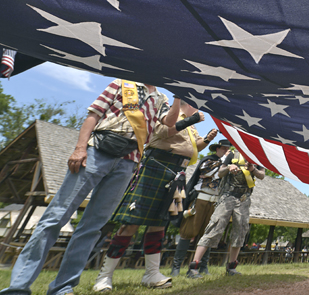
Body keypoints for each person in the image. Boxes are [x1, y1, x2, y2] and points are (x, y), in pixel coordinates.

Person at [0, 80, 177, 295]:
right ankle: (18, 287)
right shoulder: (121, 84)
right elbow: (93, 115)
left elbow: (169, 122)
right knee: (55, 217)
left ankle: (63, 287)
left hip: (128, 160)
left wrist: (180, 96)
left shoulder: (162, 98)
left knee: (93, 226)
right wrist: (79, 148)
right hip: (97, 151)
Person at [94, 99, 211, 291]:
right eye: (195, 104)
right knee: (131, 222)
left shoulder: (190, 125)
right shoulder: (167, 115)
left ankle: (151, 274)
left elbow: (193, 148)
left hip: (176, 173)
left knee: (159, 223)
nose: (198, 108)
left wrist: (206, 140)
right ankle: (105, 276)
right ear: (187, 103)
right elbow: (165, 132)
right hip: (155, 168)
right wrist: (192, 120)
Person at [186, 150, 266, 278]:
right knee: (215, 227)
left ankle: (232, 267)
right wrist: (229, 167)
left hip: (244, 198)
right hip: (227, 196)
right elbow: (220, 172)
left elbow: (262, 175)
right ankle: (194, 266)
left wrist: (253, 170)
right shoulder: (232, 154)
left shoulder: (257, 156)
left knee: (240, 230)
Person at [171, 139, 230, 277]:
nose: (225, 151)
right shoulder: (208, 161)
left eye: (228, 149)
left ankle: (202, 266)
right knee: (188, 231)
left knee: (208, 234)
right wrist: (226, 163)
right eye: (223, 148)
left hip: (215, 201)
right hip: (200, 199)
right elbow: (210, 172)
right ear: (217, 149)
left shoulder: (228, 165)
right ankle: (176, 266)